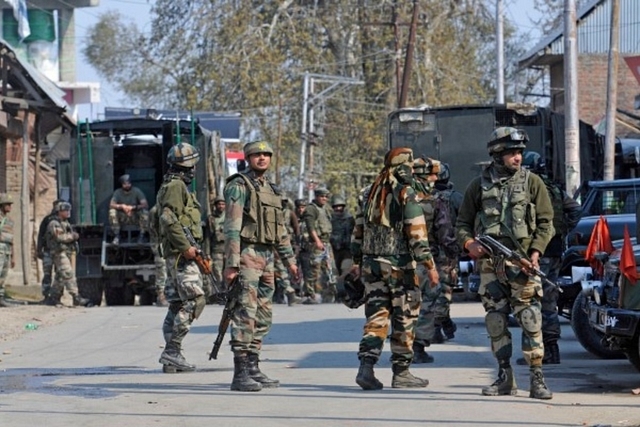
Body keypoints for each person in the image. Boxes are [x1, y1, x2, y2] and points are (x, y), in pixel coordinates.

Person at [456, 127, 555, 400]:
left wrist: (535, 252)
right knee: (496, 322)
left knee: (530, 319)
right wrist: (469, 244)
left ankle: (537, 379)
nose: (518, 158)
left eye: (520, 153)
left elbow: (547, 223)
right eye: (512, 153)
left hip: (522, 263)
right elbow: (462, 223)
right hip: (491, 265)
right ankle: (504, 378)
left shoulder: (532, 182)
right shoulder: (478, 185)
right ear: (497, 155)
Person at [350, 147, 439, 390]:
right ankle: (401, 372)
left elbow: (357, 232)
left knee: (377, 317)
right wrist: (429, 265)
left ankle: (366, 367)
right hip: (400, 267)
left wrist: (357, 261)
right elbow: (416, 231)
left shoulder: (369, 192)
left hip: (372, 265)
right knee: (405, 317)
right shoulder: (405, 192)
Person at [223, 140, 299, 392]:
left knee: (264, 314)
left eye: (266, 154)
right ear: (248, 158)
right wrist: (232, 263)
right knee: (246, 311)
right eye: (257, 155)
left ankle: (253, 367)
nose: (263, 158)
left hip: (267, 257)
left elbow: (281, 231)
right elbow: (232, 226)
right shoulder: (238, 185)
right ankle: (240, 372)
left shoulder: (272, 189)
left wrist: (290, 261)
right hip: (247, 254)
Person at [517, 151, 581, 365]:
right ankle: (552, 349)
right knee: (549, 300)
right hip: (554, 250)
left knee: (531, 300)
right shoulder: (555, 189)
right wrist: (561, 232)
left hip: (535, 251)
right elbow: (575, 210)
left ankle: (539, 351)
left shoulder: (528, 188)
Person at [156, 143, 206, 373]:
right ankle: (173, 351)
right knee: (195, 300)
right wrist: (186, 248)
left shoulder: (173, 185)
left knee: (177, 304)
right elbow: (168, 218)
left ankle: (171, 357)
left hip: (177, 254)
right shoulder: (176, 186)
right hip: (181, 255)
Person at [411, 157, 459, 364]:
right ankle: (418, 347)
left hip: (399, 260)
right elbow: (445, 232)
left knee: (404, 304)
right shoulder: (434, 200)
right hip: (427, 259)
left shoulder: (398, 198)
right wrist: (456, 251)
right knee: (428, 302)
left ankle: (401, 347)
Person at [433, 162, 464, 340]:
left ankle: (444, 323)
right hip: (448, 250)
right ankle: (437, 327)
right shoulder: (455, 198)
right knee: (444, 290)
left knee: (430, 290)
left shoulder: (422, 197)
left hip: (427, 250)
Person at [44, 202, 90, 307]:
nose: (68, 212)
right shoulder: (54, 223)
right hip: (58, 253)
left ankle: (54, 297)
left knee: (60, 277)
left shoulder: (65, 223)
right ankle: (76, 296)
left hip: (65, 252)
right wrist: (73, 236)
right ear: (59, 211)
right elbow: (60, 238)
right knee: (68, 273)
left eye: (69, 210)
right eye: (66, 210)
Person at [303, 187, 338, 303]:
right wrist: (317, 241)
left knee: (330, 269)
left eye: (326, 197)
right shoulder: (311, 209)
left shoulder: (325, 209)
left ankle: (329, 294)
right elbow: (310, 227)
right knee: (314, 270)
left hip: (326, 243)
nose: (324, 199)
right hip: (316, 243)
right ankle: (309, 295)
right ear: (316, 196)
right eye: (322, 196)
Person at [273, 197, 301, 306]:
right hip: (272, 245)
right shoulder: (272, 211)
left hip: (284, 245)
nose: (282, 203)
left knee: (282, 269)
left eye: (284, 201)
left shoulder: (290, 213)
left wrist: (297, 244)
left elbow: (296, 229)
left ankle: (289, 292)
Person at [109, 174, 150, 245]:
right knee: (112, 212)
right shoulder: (117, 192)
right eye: (125, 184)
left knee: (145, 212)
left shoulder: (137, 191)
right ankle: (117, 236)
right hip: (123, 217)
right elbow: (111, 204)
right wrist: (122, 206)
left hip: (134, 216)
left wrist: (133, 208)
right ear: (122, 184)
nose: (127, 185)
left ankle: (141, 235)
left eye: (128, 183)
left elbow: (145, 205)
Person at [37, 199, 64, 302]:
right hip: (48, 251)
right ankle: (46, 295)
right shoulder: (47, 219)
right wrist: (39, 249)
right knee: (47, 274)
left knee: (60, 274)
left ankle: (57, 296)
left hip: (59, 252)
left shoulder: (64, 220)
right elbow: (40, 235)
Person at [294, 198, 315, 304]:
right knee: (295, 271)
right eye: (299, 207)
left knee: (308, 272)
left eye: (303, 207)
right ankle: (296, 292)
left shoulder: (309, 219)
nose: (300, 210)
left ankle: (309, 294)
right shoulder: (293, 219)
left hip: (307, 249)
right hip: (295, 249)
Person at [330, 195, 355, 278]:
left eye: (340, 206)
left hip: (347, 249)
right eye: (336, 207)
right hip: (334, 249)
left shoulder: (350, 219)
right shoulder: (331, 219)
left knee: (346, 269)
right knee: (335, 270)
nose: (338, 208)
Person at [148, 204, 168, 307]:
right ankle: (161, 295)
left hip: (171, 241)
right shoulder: (155, 210)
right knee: (161, 267)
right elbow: (154, 229)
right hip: (159, 242)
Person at [0, 193, 18, 307]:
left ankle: (0, 298)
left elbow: (12, 239)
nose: (10, 207)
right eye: (8, 204)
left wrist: (13, 256)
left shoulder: (9, 220)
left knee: (3, 276)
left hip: (6, 251)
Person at [208, 196, 227, 295]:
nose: (221, 206)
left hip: (228, 249)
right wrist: (207, 253)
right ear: (215, 205)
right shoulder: (211, 219)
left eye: (223, 204)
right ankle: (220, 293)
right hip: (216, 250)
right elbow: (208, 237)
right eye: (219, 204)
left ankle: (228, 293)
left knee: (228, 273)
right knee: (217, 273)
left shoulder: (229, 217)